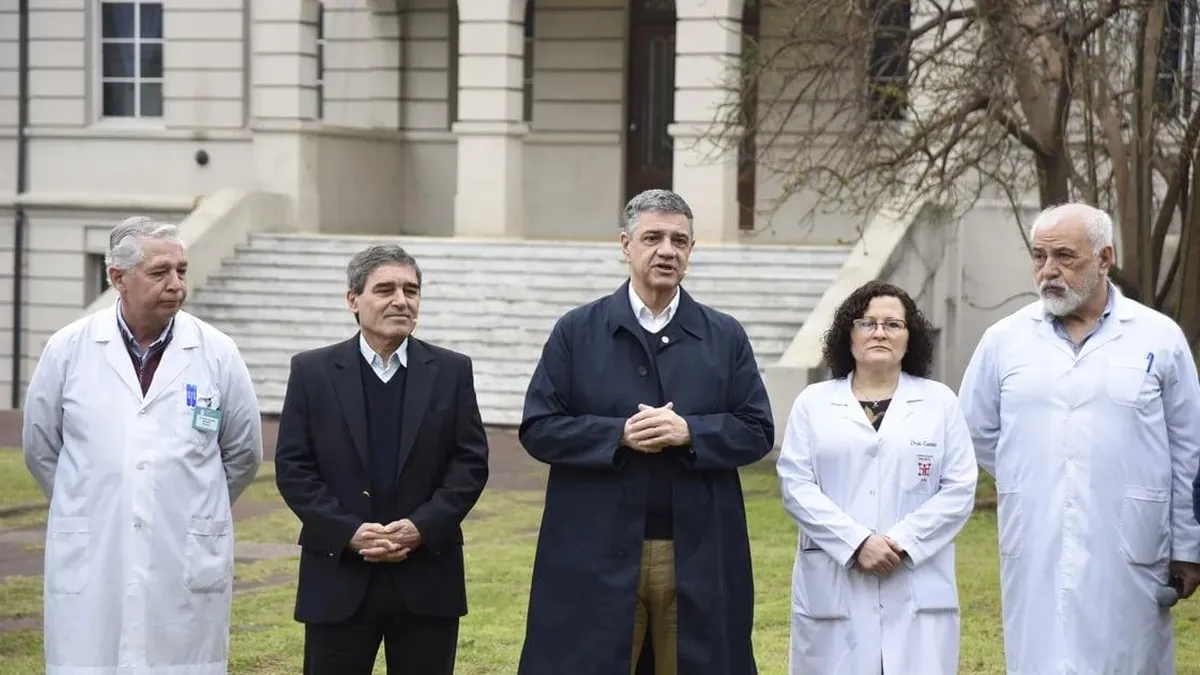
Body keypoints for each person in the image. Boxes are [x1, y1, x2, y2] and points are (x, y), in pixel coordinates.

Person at [516, 189, 775, 675]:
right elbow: (539, 427)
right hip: (594, 549)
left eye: (680, 240)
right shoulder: (577, 331)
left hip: (697, 552)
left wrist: (689, 432)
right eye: (652, 237)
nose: (667, 250)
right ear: (625, 245)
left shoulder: (724, 335)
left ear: (692, 251)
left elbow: (757, 428)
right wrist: (617, 435)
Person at [959, 203, 1200, 674]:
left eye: (1064, 256)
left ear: (1105, 258)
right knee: (1041, 655)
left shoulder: (1158, 337)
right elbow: (974, 428)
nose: (1048, 271)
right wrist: (1034, 470)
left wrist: (1188, 547)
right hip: (1037, 531)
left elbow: (1189, 447)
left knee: (1128, 659)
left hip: (1132, 542)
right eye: (1039, 256)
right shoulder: (1004, 340)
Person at [21, 216, 263, 675]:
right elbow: (40, 447)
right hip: (95, 551)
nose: (176, 284)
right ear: (117, 278)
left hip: (183, 555)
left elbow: (244, 452)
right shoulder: (68, 349)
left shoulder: (217, 352)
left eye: (182, 271)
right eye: (160, 273)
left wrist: (192, 502)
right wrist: (93, 499)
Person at [274, 244, 489, 675]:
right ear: (353, 300)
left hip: (428, 574)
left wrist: (421, 528)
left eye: (411, 290)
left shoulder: (451, 371)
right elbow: (294, 468)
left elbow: (470, 464)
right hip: (338, 575)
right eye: (385, 289)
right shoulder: (312, 372)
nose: (401, 300)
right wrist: (349, 531)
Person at [776, 280, 977, 675]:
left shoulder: (940, 402)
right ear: (847, 335)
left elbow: (959, 489)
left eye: (893, 324)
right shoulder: (813, 403)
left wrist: (900, 543)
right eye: (867, 323)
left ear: (910, 337)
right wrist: (856, 543)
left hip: (916, 582)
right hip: (835, 582)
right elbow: (796, 487)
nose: (880, 332)